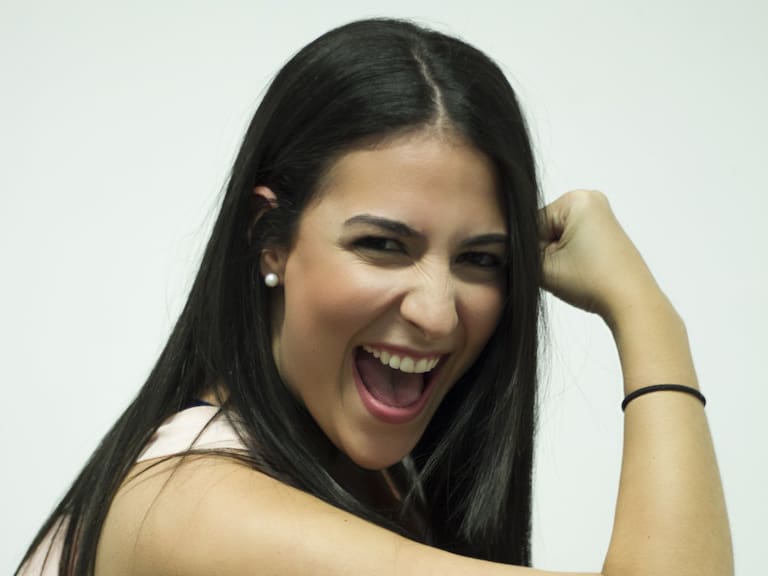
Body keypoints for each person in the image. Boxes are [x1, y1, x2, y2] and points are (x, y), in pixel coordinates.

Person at [17, 18, 732, 576]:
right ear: (269, 238)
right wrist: (647, 314)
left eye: (480, 259)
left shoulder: (373, 483)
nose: (437, 312)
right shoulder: (191, 507)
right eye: (383, 245)